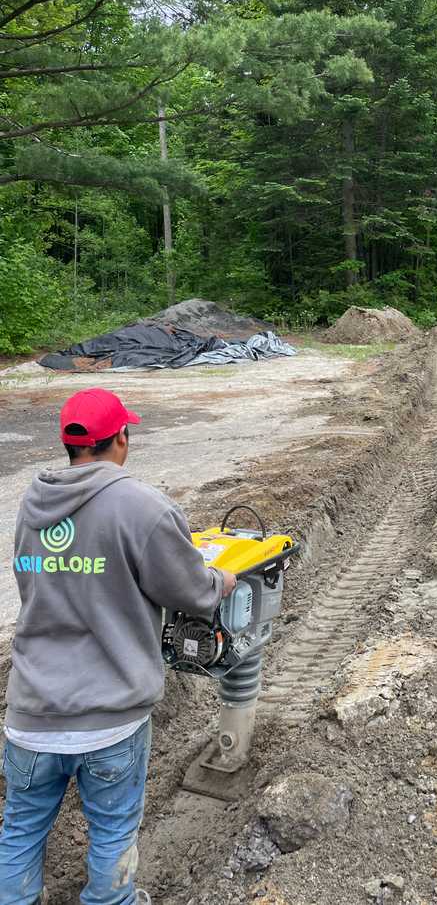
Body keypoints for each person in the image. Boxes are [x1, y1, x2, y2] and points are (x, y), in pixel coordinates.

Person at [0, 387, 237, 905]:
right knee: (112, 835)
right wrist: (222, 579)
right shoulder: (141, 506)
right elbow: (192, 592)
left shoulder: (31, 504)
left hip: (32, 714)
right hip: (109, 718)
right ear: (122, 439)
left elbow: (35, 588)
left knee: (18, 834)